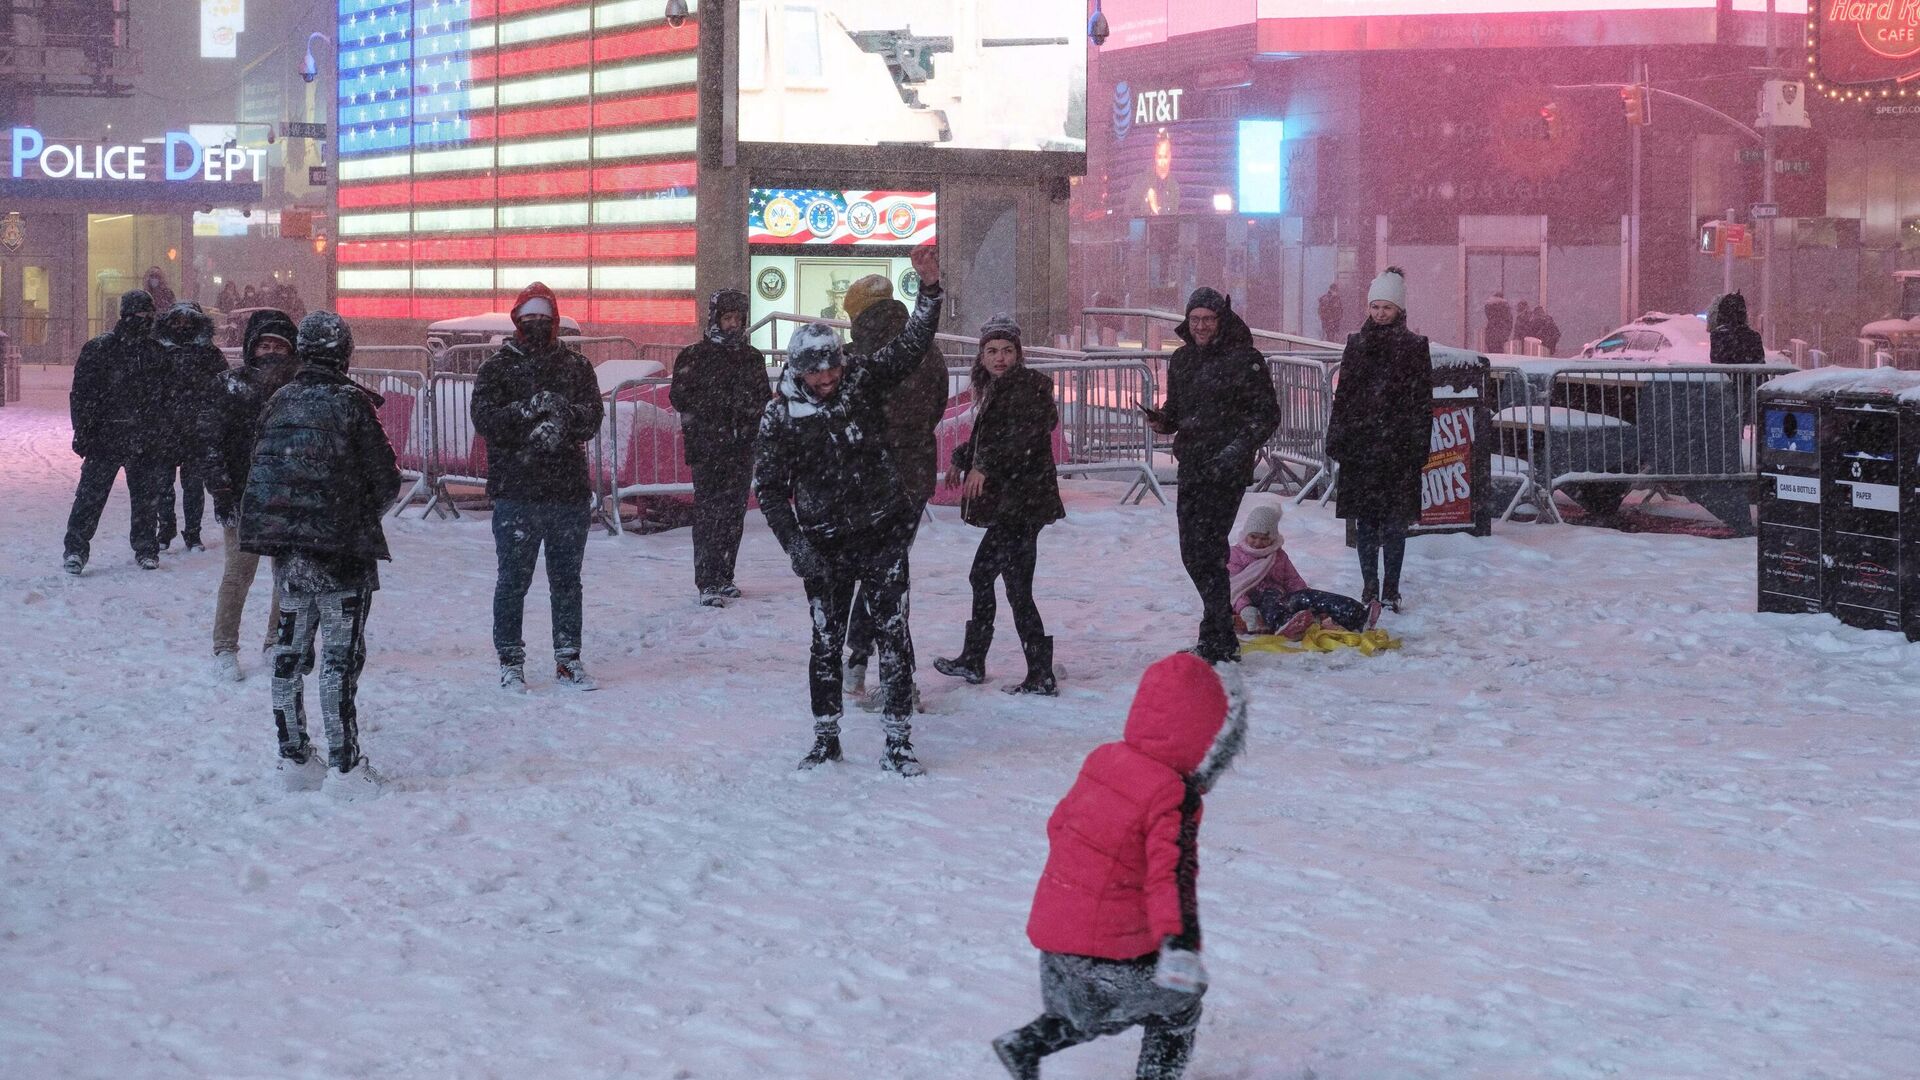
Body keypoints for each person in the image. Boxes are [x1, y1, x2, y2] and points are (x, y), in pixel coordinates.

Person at [992, 652, 1247, 1080]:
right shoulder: (1173, 795)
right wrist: (1180, 946)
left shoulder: (1104, 759)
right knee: (1177, 1004)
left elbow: (1058, 825)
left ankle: (1025, 1045)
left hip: (1055, 939)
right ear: (1203, 735)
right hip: (1105, 956)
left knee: (1089, 1011)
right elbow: (1173, 877)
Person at [753, 244, 943, 776]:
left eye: (834, 370)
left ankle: (899, 739)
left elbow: (909, 349)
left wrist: (928, 293)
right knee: (825, 640)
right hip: (823, 543)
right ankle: (826, 736)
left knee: (894, 634)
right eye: (819, 376)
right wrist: (796, 546)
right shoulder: (781, 418)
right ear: (798, 371)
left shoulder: (859, 377)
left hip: (881, 528)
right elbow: (768, 489)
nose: (830, 380)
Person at [241, 312, 401, 799]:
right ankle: (346, 768)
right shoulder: (351, 404)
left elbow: (262, 469)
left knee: (289, 656)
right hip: (342, 551)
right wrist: (351, 511)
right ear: (344, 352)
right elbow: (386, 479)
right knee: (339, 659)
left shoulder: (279, 401)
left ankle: (293, 758)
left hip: (289, 552)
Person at [471, 283, 607, 692]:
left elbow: (592, 416)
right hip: (517, 491)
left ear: (555, 322)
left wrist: (563, 418)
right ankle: (510, 660)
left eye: (542, 320)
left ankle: (568, 658)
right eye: (528, 319)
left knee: (567, 581)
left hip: (566, 492)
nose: (535, 326)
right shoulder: (497, 368)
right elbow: (485, 419)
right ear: (517, 321)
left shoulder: (576, 367)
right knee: (513, 580)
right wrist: (526, 416)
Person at [1140, 289, 1280, 664]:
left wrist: (1237, 449)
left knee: (1208, 548)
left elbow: (1266, 415)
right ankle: (1219, 632)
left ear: (1221, 320)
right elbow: (1178, 409)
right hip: (1194, 463)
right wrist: (1163, 421)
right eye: (1195, 319)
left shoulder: (1245, 359)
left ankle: (1217, 636)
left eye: (1208, 319)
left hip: (1228, 468)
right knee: (1193, 552)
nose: (1201, 326)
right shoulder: (1183, 359)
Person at [933, 316, 1064, 695]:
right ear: (982, 355)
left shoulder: (1024, 390)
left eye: (1007, 351)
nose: (1000, 358)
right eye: (992, 351)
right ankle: (976, 660)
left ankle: (1038, 672)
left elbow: (1018, 441)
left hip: (1022, 504)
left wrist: (984, 466)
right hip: (1015, 504)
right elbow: (987, 436)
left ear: (1019, 354)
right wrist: (962, 458)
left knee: (1016, 588)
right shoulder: (999, 388)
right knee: (989, 579)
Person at [841, 274, 948, 703]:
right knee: (889, 575)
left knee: (877, 575)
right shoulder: (925, 349)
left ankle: (863, 663)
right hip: (914, 473)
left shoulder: (860, 355)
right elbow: (935, 406)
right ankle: (870, 665)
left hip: (871, 477)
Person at [199, 309, 300, 682]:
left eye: (278, 346)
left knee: (286, 575)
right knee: (238, 574)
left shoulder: (296, 391)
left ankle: (276, 640)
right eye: (264, 345)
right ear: (251, 347)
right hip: (242, 493)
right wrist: (221, 489)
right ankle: (225, 646)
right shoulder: (228, 386)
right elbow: (209, 442)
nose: (270, 352)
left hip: (287, 495)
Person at [1326, 267, 1431, 613]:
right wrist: (1337, 436)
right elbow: (1345, 395)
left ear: (1399, 309)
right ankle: (1370, 586)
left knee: (1395, 523)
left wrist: (1418, 444)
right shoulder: (1356, 344)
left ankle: (1391, 589)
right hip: (1362, 447)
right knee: (1366, 523)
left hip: (1397, 448)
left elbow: (1422, 400)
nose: (1380, 313)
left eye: (1386, 307)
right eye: (1375, 307)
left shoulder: (1415, 347)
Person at [669, 289, 771, 606]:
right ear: (715, 319)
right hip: (708, 448)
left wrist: (745, 411)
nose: (733, 325)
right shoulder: (694, 356)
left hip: (740, 448)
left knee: (732, 514)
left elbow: (762, 398)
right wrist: (714, 406)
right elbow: (679, 397)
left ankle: (725, 575)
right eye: (727, 318)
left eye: (738, 319)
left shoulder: (751, 358)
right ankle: (707, 580)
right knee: (709, 515)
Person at [62, 289, 169, 574]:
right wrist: (83, 430)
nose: (144, 320)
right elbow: (82, 394)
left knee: (145, 499)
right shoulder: (101, 349)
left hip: (143, 436)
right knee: (90, 497)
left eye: (148, 315)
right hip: (106, 436)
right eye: (139, 315)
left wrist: (163, 433)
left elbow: (165, 398)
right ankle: (76, 548)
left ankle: (146, 547)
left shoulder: (155, 352)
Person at [1228, 503, 1379, 639]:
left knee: (1310, 596)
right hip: (1254, 605)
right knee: (1270, 595)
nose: (1258, 543)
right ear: (1246, 534)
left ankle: (1357, 615)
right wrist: (1246, 609)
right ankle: (1283, 624)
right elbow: (1233, 587)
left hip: (1282, 600)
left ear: (1273, 538)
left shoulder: (1278, 555)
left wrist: (1307, 599)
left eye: (1264, 538)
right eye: (1253, 537)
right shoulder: (1236, 554)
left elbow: (1292, 580)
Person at [153, 302, 228, 552]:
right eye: (178, 321)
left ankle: (192, 533)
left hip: (196, 429)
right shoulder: (159, 351)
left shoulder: (209, 354)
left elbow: (221, 389)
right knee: (163, 485)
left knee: (193, 486)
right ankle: (166, 529)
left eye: (188, 321)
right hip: (166, 427)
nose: (183, 326)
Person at [1708, 292, 1764, 365]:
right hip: (1751, 375)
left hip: (1727, 375)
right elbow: (1760, 364)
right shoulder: (1753, 337)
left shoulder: (1718, 336)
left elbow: (1717, 363)